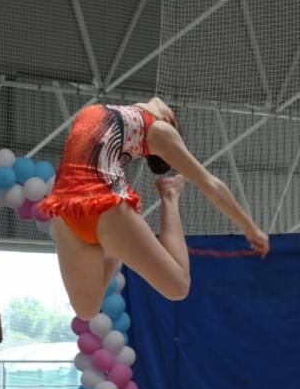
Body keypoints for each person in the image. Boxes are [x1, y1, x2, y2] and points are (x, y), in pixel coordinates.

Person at [40, 97, 270, 319]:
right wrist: (250, 228)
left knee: (179, 286)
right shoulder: (151, 125)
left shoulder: (118, 116)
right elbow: (210, 182)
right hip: (75, 207)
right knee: (87, 310)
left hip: (81, 208)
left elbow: (209, 183)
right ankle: (118, 244)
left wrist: (248, 228)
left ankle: (168, 197)